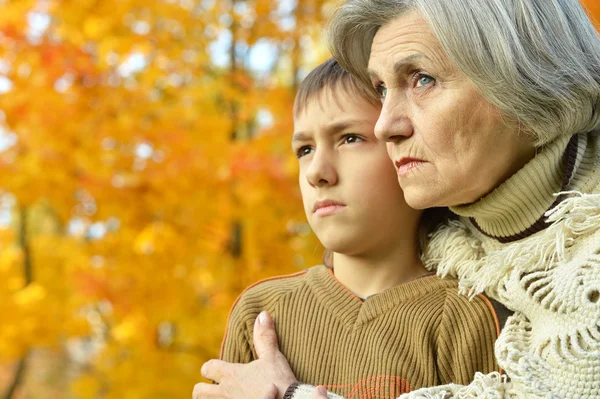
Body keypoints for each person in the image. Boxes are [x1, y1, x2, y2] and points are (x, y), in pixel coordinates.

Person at [194, 0, 600, 398]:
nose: (385, 124)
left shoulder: (485, 303)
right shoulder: (462, 254)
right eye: (381, 88)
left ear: (527, 76)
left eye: (422, 78)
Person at [194, 58, 505, 399]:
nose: (317, 172)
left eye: (350, 138)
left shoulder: (466, 317)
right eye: (305, 149)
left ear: (405, 151)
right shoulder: (261, 315)